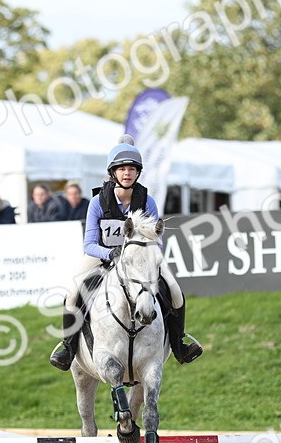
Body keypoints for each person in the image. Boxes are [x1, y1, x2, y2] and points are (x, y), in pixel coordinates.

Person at [49, 135, 202, 370]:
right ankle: (68, 347)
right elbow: (89, 244)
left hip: (139, 261)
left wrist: (145, 256)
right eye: (122, 169)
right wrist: (111, 254)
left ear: (138, 172)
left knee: (175, 291)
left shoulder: (147, 201)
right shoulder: (98, 202)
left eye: (132, 169)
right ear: (113, 173)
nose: (127, 173)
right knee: (72, 292)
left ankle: (178, 343)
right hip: (102, 256)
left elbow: (157, 239)